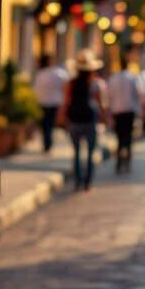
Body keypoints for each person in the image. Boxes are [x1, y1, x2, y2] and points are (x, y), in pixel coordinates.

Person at [60, 49, 109, 191]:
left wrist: (62, 117)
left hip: (75, 120)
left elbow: (66, 102)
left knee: (76, 153)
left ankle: (77, 181)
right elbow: (102, 104)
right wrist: (105, 118)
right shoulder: (96, 84)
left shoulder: (71, 83)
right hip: (90, 120)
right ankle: (87, 182)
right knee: (90, 153)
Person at [107, 54, 142, 173]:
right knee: (128, 136)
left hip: (117, 111)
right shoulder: (132, 78)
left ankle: (120, 161)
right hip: (129, 110)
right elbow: (137, 94)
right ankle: (126, 159)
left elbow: (109, 96)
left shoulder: (113, 78)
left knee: (120, 137)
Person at [32, 53, 69, 153]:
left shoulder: (40, 74)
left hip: (43, 102)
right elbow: (66, 87)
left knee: (45, 125)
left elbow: (35, 89)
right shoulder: (60, 73)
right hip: (56, 102)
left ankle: (47, 144)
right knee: (51, 124)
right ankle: (49, 143)